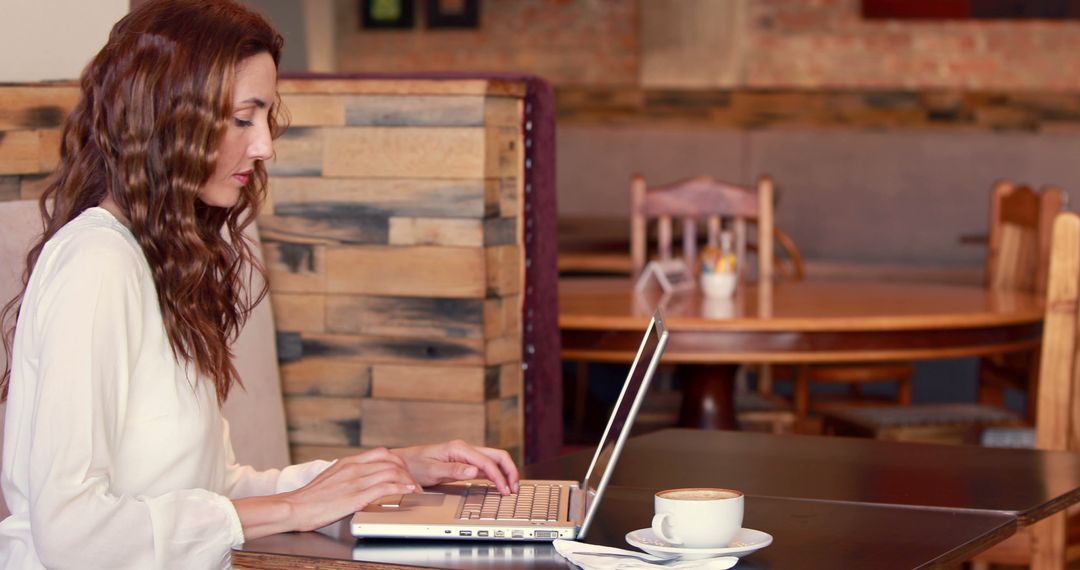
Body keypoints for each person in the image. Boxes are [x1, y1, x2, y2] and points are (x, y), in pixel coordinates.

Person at [0, 1, 519, 568]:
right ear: (170, 117)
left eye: (265, 118)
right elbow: (70, 532)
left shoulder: (158, 264)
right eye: (244, 118)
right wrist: (296, 507)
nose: (265, 145)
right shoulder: (95, 264)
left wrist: (386, 470)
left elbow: (212, 492)